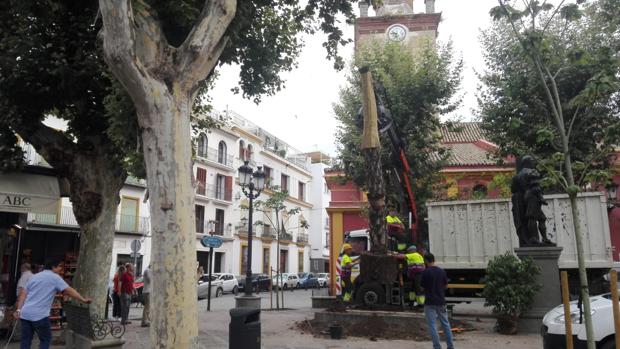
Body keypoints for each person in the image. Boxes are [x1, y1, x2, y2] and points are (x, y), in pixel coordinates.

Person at [14, 258, 91, 349]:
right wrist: (83, 299)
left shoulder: (34, 276)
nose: (61, 269)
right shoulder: (55, 278)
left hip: (25, 314)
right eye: (60, 266)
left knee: (25, 340)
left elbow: (23, 294)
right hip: (40, 315)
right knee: (46, 339)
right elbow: (69, 290)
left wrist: (18, 310)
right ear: (53, 267)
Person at [421, 252, 454, 349]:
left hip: (429, 302)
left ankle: (437, 347)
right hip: (441, 301)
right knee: (445, 323)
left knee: (432, 325)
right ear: (433, 259)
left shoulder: (425, 272)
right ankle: (450, 346)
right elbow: (446, 286)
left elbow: (422, 287)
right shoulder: (441, 271)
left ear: (426, 261)